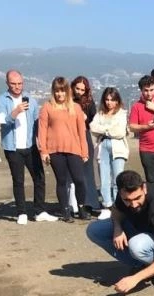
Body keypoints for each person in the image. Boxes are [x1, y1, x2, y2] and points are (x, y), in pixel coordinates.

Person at [86, 170, 154, 292]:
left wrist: (135, 279)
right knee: (95, 230)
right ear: (120, 192)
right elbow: (117, 210)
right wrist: (118, 229)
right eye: (128, 200)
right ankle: (141, 264)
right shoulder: (125, 193)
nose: (133, 204)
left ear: (144, 188)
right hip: (145, 229)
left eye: (137, 198)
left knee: (137, 245)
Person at [0, 70, 54, 225]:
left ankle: (39, 211)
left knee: (39, 178)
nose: (17, 87)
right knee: (18, 180)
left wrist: (43, 146)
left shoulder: (31, 100)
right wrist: (15, 112)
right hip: (12, 147)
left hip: (31, 145)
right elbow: (2, 121)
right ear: (7, 83)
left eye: (20, 83)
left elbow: (37, 125)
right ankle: (21, 212)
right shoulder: (2, 100)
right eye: (13, 84)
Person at [37, 76, 89, 222]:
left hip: (74, 149)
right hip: (55, 150)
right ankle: (65, 211)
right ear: (53, 92)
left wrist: (84, 152)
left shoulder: (76, 108)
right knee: (61, 181)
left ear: (67, 91)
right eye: (57, 91)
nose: (60, 94)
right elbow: (42, 131)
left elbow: (81, 132)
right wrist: (44, 151)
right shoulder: (47, 107)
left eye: (62, 91)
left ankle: (81, 208)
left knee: (79, 180)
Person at [89, 87, 129, 220]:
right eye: (107, 99)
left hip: (117, 147)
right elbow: (93, 127)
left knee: (118, 177)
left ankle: (119, 205)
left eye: (112, 100)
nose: (109, 103)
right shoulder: (100, 114)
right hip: (102, 146)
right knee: (104, 177)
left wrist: (104, 130)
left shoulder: (122, 114)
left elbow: (120, 132)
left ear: (117, 101)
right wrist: (108, 130)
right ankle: (107, 205)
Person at [71, 76, 99, 218]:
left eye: (82, 89)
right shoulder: (67, 101)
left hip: (84, 135)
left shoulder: (89, 102)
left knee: (88, 172)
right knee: (73, 174)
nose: (79, 92)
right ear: (72, 87)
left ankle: (91, 203)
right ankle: (74, 205)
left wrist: (85, 118)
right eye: (77, 88)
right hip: (70, 137)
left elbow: (94, 119)